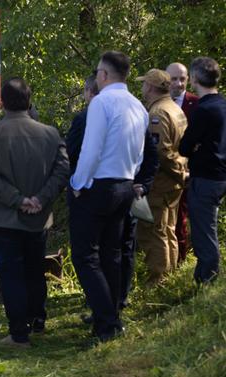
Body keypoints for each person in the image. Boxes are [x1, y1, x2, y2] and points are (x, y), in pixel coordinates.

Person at [0, 77, 69, 347]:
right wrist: (40, 198)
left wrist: (17, 200)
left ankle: (19, 333)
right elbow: (62, 169)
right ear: (29, 101)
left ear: (2, 103)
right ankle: (38, 320)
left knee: (11, 273)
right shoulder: (50, 134)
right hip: (38, 216)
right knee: (35, 268)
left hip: (4, 218)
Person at [69, 51, 148, 342]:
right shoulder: (138, 105)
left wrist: (78, 182)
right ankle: (110, 317)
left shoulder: (101, 102)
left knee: (85, 256)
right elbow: (140, 153)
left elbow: (92, 149)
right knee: (111, 254)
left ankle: (108, 322)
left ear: (103, 74)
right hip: (126, 183)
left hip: (98, 186)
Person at [135, 69, 188, 283]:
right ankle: (171, 274)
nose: (142, 88)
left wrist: (178, 174)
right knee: (168, 229)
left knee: (154, 231)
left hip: (162, 182)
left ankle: (159, 279)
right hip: (175, 180)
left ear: (150, 86)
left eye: (144, 84)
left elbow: (161, 152)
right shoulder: (175, 108)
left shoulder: (157, 113)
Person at [179, 57, 226, 284]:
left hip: (205, 176)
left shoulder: (203, 109)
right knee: (206, 225)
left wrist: (195, 147)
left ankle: (207, 277)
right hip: (220, 174)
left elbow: (185, 146)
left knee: (203, 230)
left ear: (194, 78)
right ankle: (204, 274)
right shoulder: (223, 105)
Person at [167, 62, 199, 264]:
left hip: (189, 172)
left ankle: (181, 260)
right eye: (173, 78)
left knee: (183, 218)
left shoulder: (197, 104)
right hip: (164, 171)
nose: (178, 83)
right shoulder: (156, 103)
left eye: (182, 78)